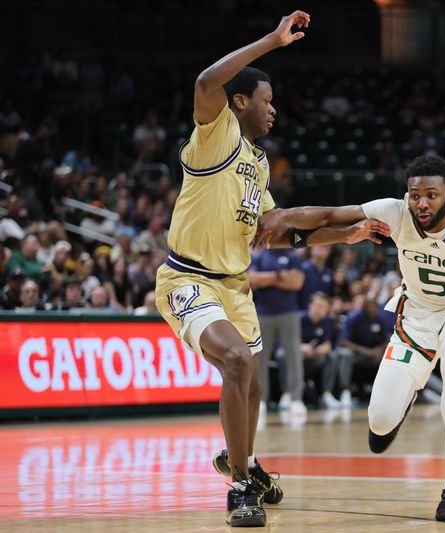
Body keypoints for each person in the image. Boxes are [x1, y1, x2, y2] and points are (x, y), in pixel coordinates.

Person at [153, 11, 389, 527]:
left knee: (252, 383)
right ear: (240, 103)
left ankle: (245, 462)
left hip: (235, 286)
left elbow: (276, 230)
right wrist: (273, 41)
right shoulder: (215, 136)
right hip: (189, 277)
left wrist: (342, 234)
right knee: (237, 363)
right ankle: (240, 488)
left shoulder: (256, 164)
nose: (274, 109)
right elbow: (205, 82)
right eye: (266, 100)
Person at [257, 154, 445, 522]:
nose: (421, 203)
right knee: (380, 423)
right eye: (415, 195)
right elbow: (329, 216)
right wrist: (286, 214)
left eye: (432, 196)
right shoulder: (393, 210)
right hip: (415, 319)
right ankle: (402, 401)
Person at [249, 247, 306, 417]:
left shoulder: (292, 255)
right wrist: (280, 275)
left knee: (294, 356)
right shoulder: (259, 256)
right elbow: (252, 280)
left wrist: (267, 278)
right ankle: (262, 400)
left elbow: (297, 282)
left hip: (289, 312)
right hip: (263, 314)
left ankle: (296, 399)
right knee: (261, 359)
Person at [300, 291, 340, 409]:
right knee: (284, 355)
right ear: (310, 305)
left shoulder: (326, 321)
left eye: (324, 307)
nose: (320, 309)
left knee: (332, 356)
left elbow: (327, 345)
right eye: (318, 305)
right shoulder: (299, 319)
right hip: (299, 356)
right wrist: (302, 347)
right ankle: (288, 395)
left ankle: (326, 394)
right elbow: (286, 343)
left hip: (315, 356)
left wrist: (319, 350)